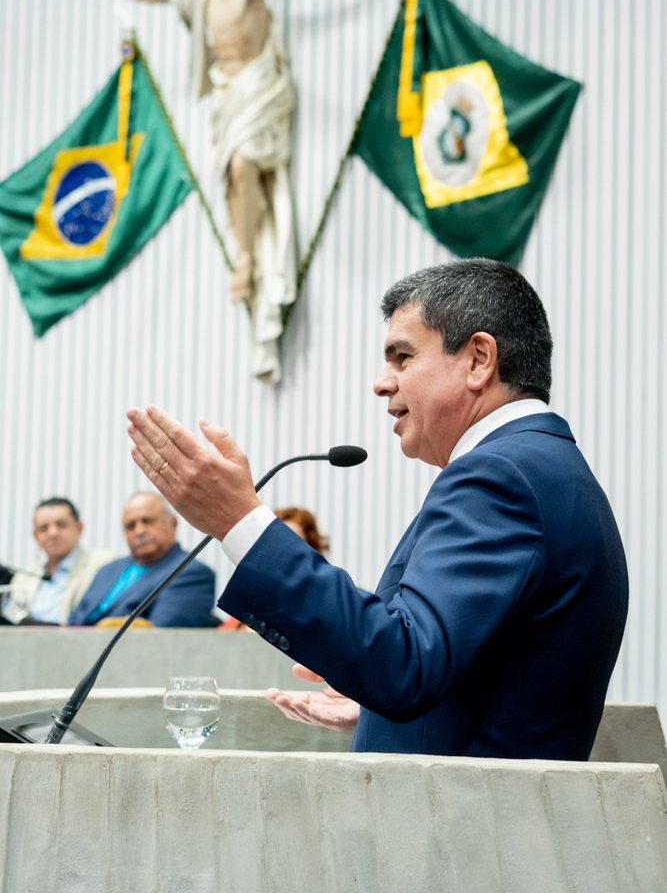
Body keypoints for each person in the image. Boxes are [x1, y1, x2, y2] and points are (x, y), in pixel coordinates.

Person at [125, 259, 629, 759]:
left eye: (402, 357)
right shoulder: (546, 467)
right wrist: (380, 709)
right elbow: (472, 666)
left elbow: (405, 664)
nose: (382, 383)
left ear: (479, 360)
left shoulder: (500, 476)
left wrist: (240, 521)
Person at [76, 0, 307, 382]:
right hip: (227, 93)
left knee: (243, 166)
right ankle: (245, 253)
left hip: (256, 88)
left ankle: (248, 258)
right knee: (232, 177)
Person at [68, 492, 215, 627]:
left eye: (148, 521)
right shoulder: (107, 570)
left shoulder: (192, 574)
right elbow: (74, 621)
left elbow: (159, 636)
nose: (139, 531)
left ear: (173, 523)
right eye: (130, 526)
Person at [6, 498, 115, 626]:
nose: (53, 533)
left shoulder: (105, 565)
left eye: (61, 525)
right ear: (35, 535)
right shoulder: (24, 576)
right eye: (43, 528)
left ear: (79, 528)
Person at [219, 507, 327, 630]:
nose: (284, 550)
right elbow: (223, 634)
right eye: (278, 542)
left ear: (311, 548)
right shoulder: (253, 598)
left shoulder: (320, 601)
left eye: (294, 543)